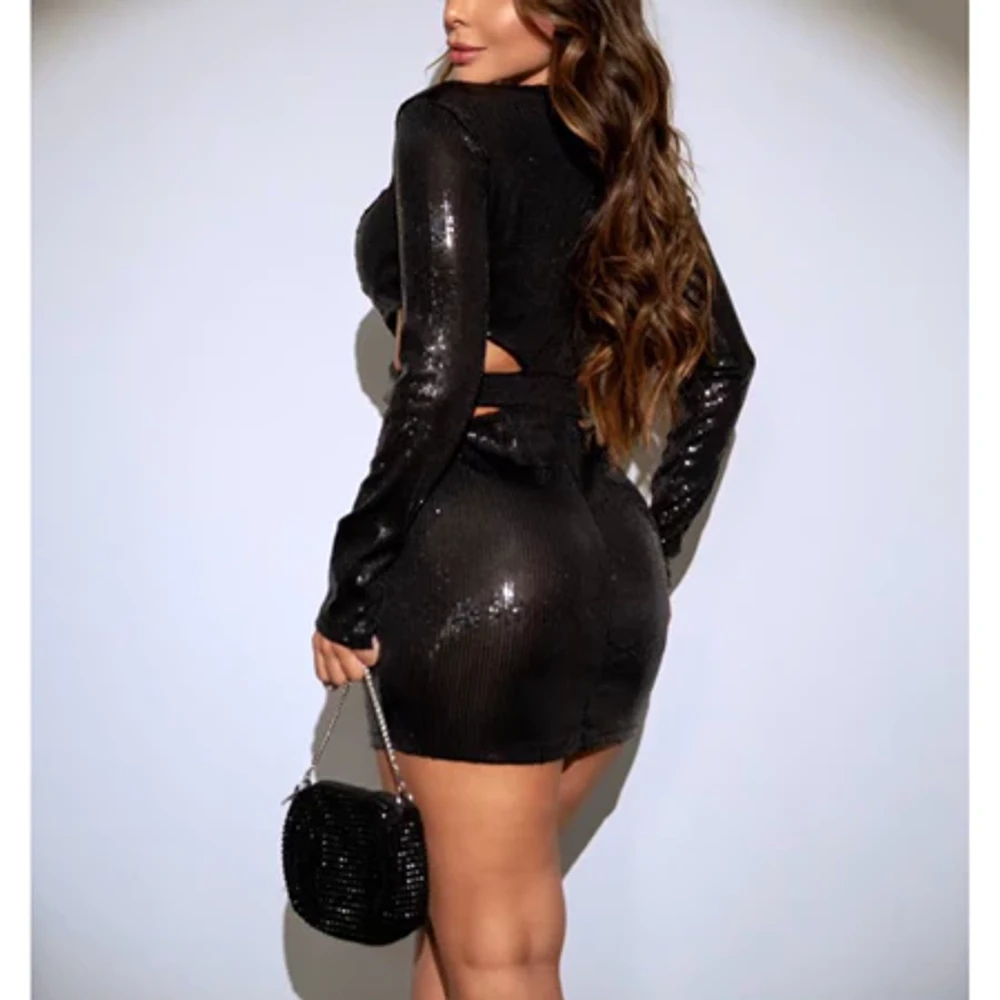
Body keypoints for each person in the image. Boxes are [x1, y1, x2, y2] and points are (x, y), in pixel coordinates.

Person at [310, 1, 755, 997]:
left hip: (483, 580)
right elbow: (724, 367)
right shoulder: (625, 156)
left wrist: (352, 581)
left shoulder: (445, 126)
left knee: (496, 953)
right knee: (459, 940)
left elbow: (437, 371)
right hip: (612, 580)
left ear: (571, 11)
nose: (455, 9)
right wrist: (647, 541)